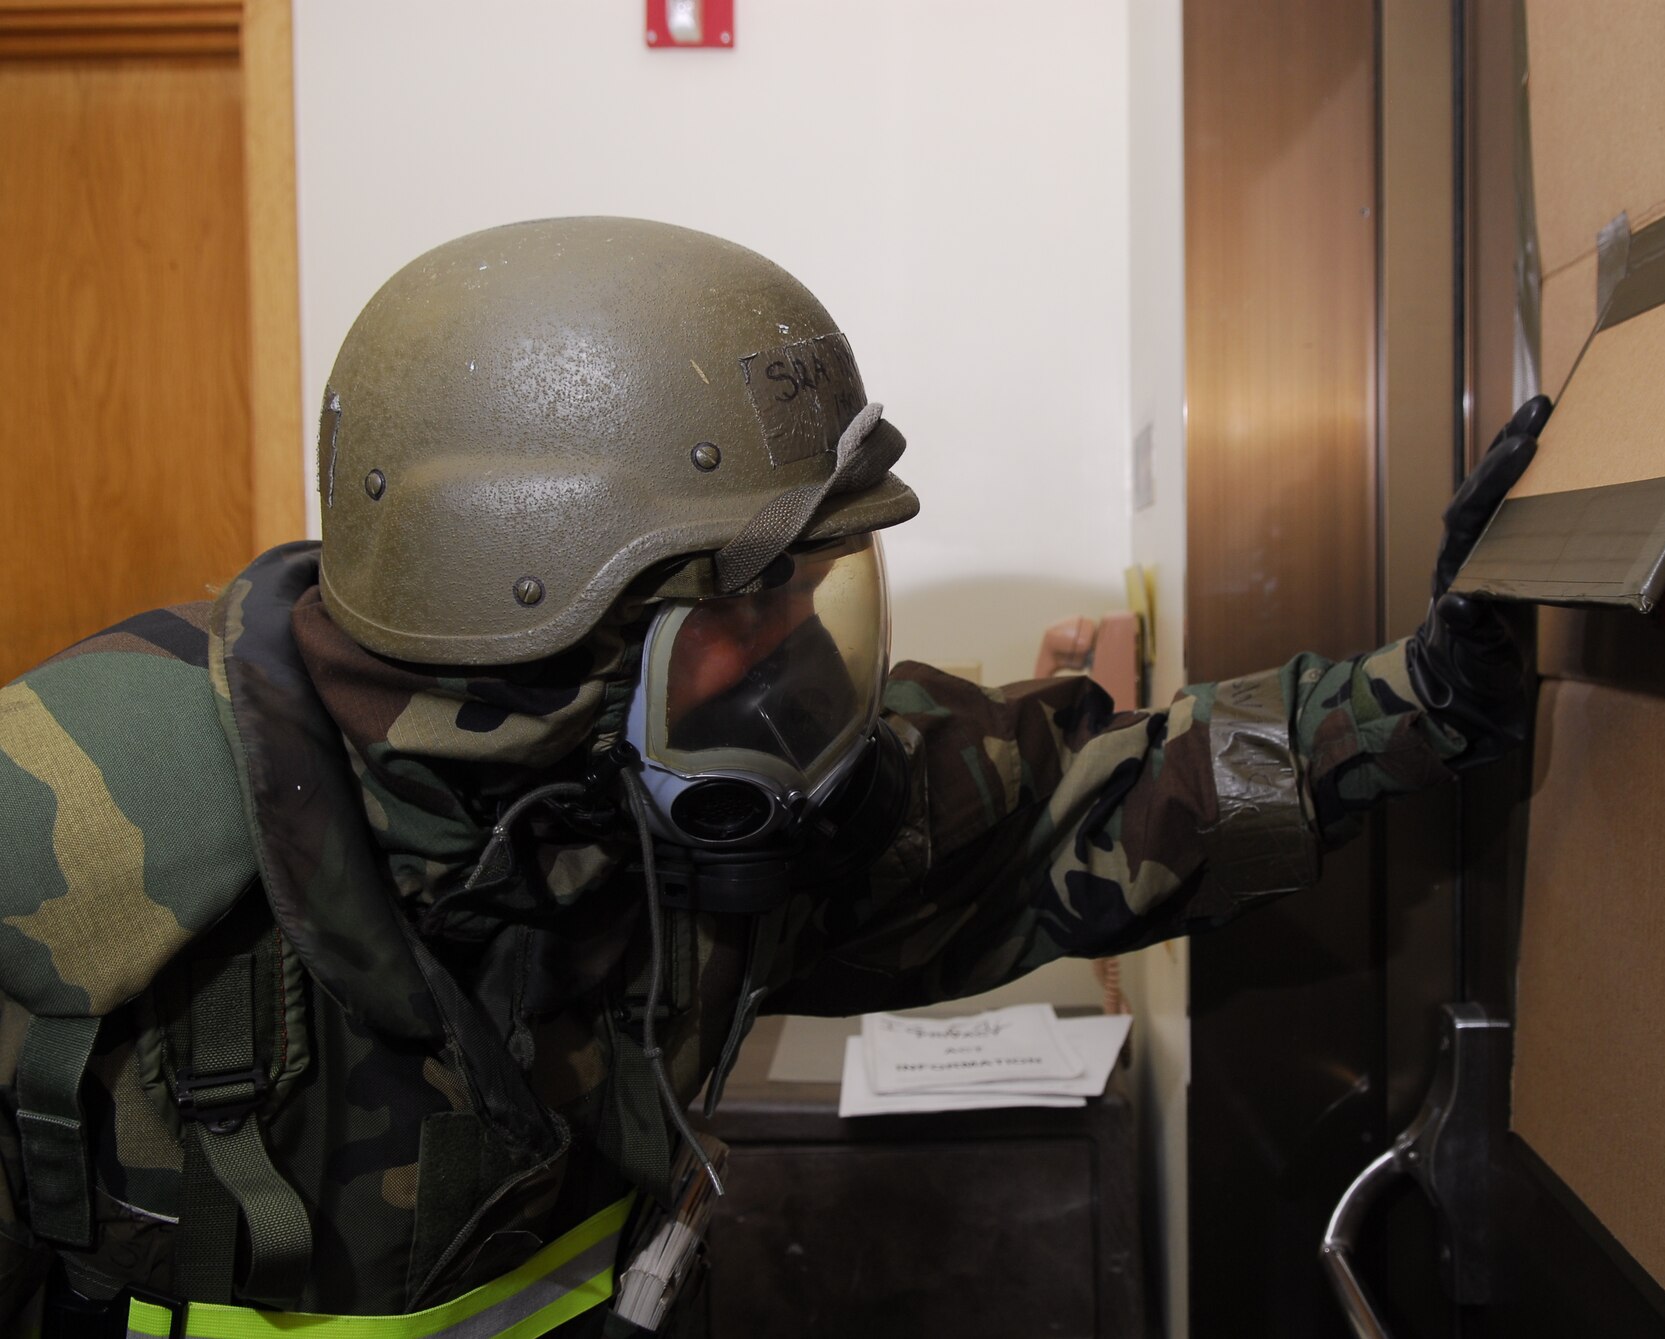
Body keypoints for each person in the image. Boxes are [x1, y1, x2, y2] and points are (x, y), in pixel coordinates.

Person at [0, 217, 1547, 1336]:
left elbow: (1070, 805)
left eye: (820, 583)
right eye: (760, 597)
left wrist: (1418, 702)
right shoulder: (68, 833)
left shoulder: (714, 771)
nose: (804, 640)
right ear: (549, 592)